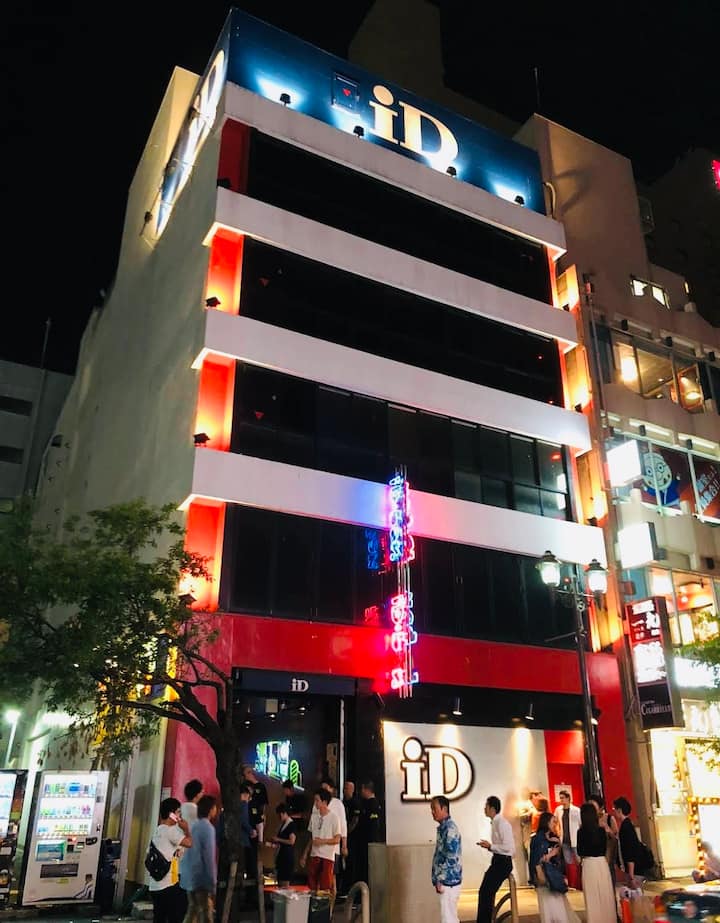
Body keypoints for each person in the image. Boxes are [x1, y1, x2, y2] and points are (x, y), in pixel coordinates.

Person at [529, 812, 580, 923]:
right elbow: (535, 860)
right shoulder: (538, 839)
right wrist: (550, 855)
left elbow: (559, 860)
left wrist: (558, 846)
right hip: (545, 877)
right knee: (550, 908)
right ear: (546, 822)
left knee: (558, 907)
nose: (555, 825)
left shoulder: (553, 838)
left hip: (554, 877)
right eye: (553, 822)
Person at [149, 797, 192, 923]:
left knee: (159, 918)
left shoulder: (158, 830)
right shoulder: (170, 831)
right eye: (178, 812)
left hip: (155, 886)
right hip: (169, 885)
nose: (180, 816)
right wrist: (186, 829)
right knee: (176, 917)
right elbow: (190, 843)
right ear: (171, 814)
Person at [476, 796, 515, 923]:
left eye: (486, 806)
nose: (484, 809)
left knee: (485, 892)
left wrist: (491, 846)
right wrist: (490, 847)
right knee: (485, 892)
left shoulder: (502, 823)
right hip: (498, 861)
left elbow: (509, 848)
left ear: (492, 809)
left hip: (503, 863)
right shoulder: (495, 823)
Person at [577, 802, 616, 923]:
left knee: (592, 896)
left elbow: (580, 851)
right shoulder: (601, 831)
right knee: (605, 893)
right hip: (601, 863)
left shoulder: (581, 832)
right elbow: (606, 847)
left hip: (589, 864)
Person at [181, 795, 218, 923]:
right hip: (201, 878)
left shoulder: (193, 826)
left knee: (193, 910)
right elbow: (209, 857)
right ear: (210, 809)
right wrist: (212, 881)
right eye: (215, 807)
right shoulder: (208, 828)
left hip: (189, 876)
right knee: (205, 913)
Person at [301, 790, 341, 894]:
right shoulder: (314, 817)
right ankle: (313, 903)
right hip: (314, 854)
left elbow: (337, 839)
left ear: (324, 802)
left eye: (317, 800)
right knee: (312, 885)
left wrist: (322, 841)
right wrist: (305, 854)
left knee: (325, 887)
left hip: (327, 856)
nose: (315, 803)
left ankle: (325, 904)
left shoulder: (334, 818)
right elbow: (311, 837)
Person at [431, 796, 462, 923]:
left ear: (444, 809)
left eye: (434, 808)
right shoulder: (444, 828)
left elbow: (451, 857)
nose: (432, 812)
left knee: (449, 919)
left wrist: (440, 878)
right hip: (447, 881)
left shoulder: (450, 829)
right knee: (449, 918)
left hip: (449, 882)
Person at [612, 796, 644, 887]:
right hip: (635, 869)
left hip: (634, 870)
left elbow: (629, 850)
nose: (614, 812)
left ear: (619, 810)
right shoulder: (628, 824)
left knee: (635, 893)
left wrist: (631, 874)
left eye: (614, 809)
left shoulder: (626, 827)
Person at [242, 766, 268, 878]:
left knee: (252, 858)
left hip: (253, 833)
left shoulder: (260, 788)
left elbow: (260, 818)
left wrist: (260, 838)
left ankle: (253, 878)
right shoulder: (242, 804)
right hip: (244, 833)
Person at [355, 780, 381, 886]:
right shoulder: (365, 803)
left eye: (362, 789)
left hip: (369, 841)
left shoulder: (373, 804)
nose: (361, 792)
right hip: (364, 841)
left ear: (366, 789)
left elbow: (373, 825)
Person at [554, 791, 581, 888]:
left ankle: (579, 882)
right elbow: (555, 822)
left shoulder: (576, 810)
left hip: (575, 839)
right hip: (564, 839)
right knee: (568, 862)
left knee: (578, 861)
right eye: (560, 798)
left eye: (563, 798)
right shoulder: (558, 810)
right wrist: (557, 831)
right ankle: (571, 883)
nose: (561, 800)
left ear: (568, 798)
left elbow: (580, 824)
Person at [588, 793, 618, 876]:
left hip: (608, 853)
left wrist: (607, 828)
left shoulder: (609, 818)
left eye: (593, 806)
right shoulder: (588, 821)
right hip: (594, 856)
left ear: (601, 807)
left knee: (609, 875)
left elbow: (615, 838)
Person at [271, 803, 297, 887]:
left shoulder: (291, 825)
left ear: (285, 813)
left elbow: (292, 841)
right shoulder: (283, 824)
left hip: (287, 856)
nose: (280, 816)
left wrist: (278, 839)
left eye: (281, 814)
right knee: (280, 881)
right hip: (281, 855)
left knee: (285, 882)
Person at [342, 781, 361, 894]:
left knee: (351, 863)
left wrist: (347, 832)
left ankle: (350, 888)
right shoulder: (343, 802)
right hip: (343, 837)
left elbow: (355, 820)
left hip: (352, 838)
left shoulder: (355, 802)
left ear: (352, 790)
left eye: (347, 788)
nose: (345, 790)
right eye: (344, 788)